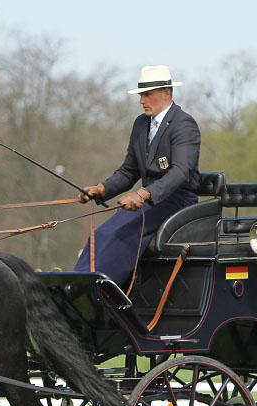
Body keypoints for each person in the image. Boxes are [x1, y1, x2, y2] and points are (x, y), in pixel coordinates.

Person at [74, 65, 201, 289]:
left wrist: (144, 193)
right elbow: (128, 171)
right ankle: (79, 281)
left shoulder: (184, 124)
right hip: (148, 202)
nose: (142, 100)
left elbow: (181, 172)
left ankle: (99, 289)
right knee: (102, 233)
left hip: (176, 200)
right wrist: (102, 189)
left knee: (120, 233)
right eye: (141, 95)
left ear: (166, 93)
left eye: (147, 95)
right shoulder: (140, 124)